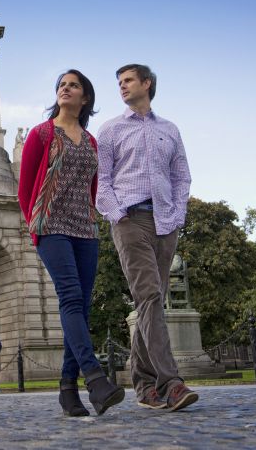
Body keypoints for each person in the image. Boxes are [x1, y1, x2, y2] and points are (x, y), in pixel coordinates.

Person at [17, 69, 125, 417]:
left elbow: (94, 187)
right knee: (71, 297)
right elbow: (25, 189)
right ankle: (95, 379)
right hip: (51, 226)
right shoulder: (41, 133)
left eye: (73, 85)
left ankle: (67, 390)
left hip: (85, 230)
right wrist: (35, 225)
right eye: (62, 85)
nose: (65, 89)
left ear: (85, 97)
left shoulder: (92, 142)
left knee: (81, 307)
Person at [96, 63, 198, 412]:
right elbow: (101, 181)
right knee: (150, 295)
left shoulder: (169, 130)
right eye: (119, 82)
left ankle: (142, 385)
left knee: (149, 302)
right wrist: (118, 214)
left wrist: (177, 215)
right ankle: (170, 383)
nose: (122, 86)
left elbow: (182, 177)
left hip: (166, 222)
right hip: (130, 220)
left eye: (128, 80)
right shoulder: (110, 129)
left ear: (147, 83)